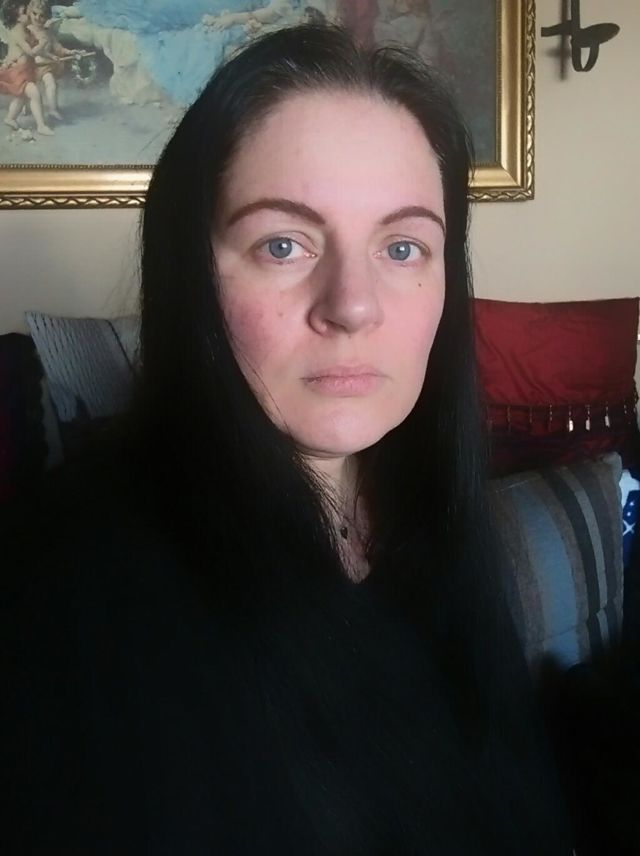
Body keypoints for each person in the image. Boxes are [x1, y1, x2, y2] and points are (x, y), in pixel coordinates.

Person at [3, 24, 574, 854]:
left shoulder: (443, 519)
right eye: (283, 244)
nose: (353, 305)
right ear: (194, 275)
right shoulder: (56, 585)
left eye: (403, 246)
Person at [0, 0, 53, 134]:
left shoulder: (27, 30)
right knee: (34, 93)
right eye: (25, 12)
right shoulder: (17, 31)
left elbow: (37, 49)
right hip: (17, 72)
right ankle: (41, 126)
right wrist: (42, 44)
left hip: (25, 70)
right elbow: (31, 52)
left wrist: (51, 56)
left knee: (22, 97)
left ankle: (10, 118)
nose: (29, 14)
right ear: (16, 16)